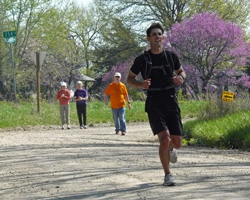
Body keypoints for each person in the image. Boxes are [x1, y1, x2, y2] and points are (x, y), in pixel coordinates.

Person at [127, 22, 186, 186]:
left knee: (177, 142)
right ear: (148, 39)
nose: (157, 37)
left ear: (163, 37)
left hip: (170, 99)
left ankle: (171, 150)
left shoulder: (170, 56)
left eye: (159, 34)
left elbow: (181, 71)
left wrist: (181, 78)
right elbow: (129, 78)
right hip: (154, 101)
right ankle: (168, 175)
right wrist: (140, 85)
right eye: (154, 34)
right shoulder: (142, 59)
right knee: (164, 139)